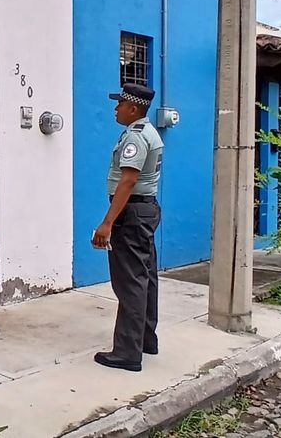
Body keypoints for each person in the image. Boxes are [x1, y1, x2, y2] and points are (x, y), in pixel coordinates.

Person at [92, 83, 164, 372]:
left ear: (133, 108)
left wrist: (108, 222)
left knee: (130, 281)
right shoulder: (149, 132)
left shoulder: (136, 137)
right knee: (145, 276)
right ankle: (146, 339)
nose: (115, 108)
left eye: (119, 103)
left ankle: (126, 353)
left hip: (131, 213)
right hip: (145, 210)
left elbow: (128, 181)